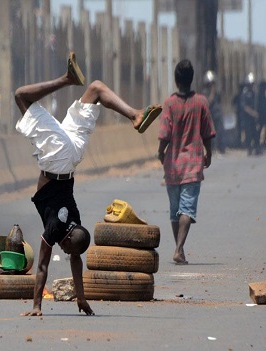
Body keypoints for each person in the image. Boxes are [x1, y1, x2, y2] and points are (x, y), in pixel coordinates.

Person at [15, 52, 162, 316]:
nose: (65, 249)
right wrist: (36, 305)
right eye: (67, 246)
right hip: (58, 158)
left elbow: (76, 261)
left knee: (95, 88)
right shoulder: (57, 228)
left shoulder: (75, 219)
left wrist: (81, 298)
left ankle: (134, 115)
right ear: (70, 236)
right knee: (20, 96)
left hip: (72, 158)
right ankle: (67, 79)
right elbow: (43, 267)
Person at [157, 59, 215, 265]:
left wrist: (160, 152)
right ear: (191, 79)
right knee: (187, 209)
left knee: (175, 210)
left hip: (172, 165)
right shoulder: (201, 102)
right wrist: (209, 153)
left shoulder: (170, 103)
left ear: (176, 79)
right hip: (192, 164)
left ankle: (178, 249)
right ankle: (179, 248)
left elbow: (164, 133)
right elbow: (208, 132)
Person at [202, 70, 225, 154]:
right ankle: (212, 149)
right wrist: (211, 93)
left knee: (220, 131)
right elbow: (208, 103)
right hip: (210, 115)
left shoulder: (216, 93)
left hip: (217, 114)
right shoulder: (205, 93)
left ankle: (221, 148)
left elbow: (219, 102)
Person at [241, 72, 260, 156]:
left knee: (255, 132)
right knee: (248, 133)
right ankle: (249, 148)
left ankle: (257, 148)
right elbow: (244, 107)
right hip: (247, 117)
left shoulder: (254, 93)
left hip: (254, 118)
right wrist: (253, 113)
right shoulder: (245, 93)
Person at [256, 80, 266, 148]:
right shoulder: (260, 95)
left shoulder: (263, 94)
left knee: (265, 127)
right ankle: (257, 141)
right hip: (260, 114)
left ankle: (263, 141)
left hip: (264, 114)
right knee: (260, 128)